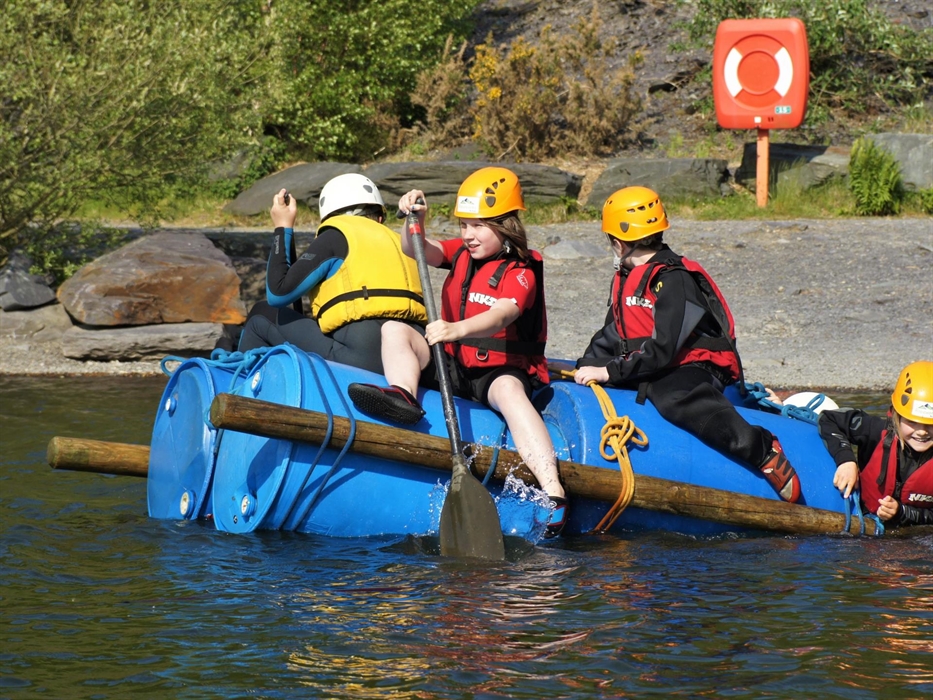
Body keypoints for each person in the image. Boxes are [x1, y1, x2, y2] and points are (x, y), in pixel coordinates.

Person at [346, 166, 568, 537]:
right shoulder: (462, 253)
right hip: (455, 363)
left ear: (505, 225)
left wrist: (455, 329)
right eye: (464, 225)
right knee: (395, 329)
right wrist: (415, 219)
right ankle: (403, 393)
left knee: (511, 394)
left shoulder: (522, 269)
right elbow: (415, 248)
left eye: (478, 226)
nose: (468, 235)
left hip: (498, 370)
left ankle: (554, 493)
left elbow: (504, 313)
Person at [573, 186, 802, 502]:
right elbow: (612, 334)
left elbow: (664, 349)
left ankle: (761, 448)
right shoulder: (626, 277)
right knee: (619, 377)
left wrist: (610, 372)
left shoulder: (674, 280)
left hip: (694, 366)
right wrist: (585, 366)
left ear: (617, 242)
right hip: (656, 363)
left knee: (671, 397)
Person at [236, 173, 427, 373]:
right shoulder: (404, 243)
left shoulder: (336, 235)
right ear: (380, 217)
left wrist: (282, 227)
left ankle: (239, 386)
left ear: (329, 217)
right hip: (415, 354)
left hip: (359, 355)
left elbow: (278, 294)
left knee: (261, 314)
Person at [819, 361, 933, 526]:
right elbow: (828, 419)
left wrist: (901, 512)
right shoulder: (875, 430)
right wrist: (846, 460)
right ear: (896, 415)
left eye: (930, 424)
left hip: (912, 538)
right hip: (863, 518)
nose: (922, 432)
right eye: (912, 422)